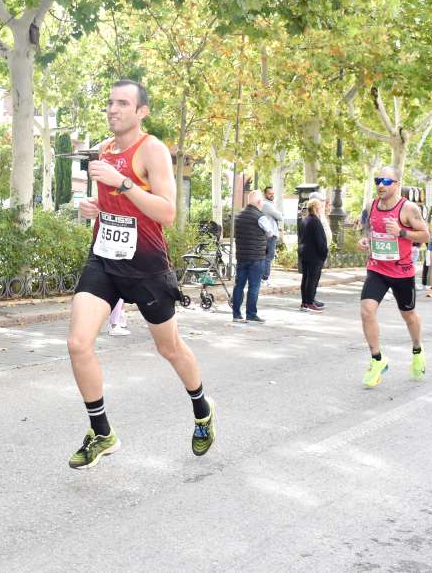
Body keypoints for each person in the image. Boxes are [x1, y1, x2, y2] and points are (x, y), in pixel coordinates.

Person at [65, 79, 214, 470]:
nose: (113, 109)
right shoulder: (104, 150)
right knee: (79, 343)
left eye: (122, 103)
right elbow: (110, 201)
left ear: (141, 111)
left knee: (170, 348)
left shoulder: (152, 150)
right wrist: (93, 207)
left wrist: (124, 183)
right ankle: (102, 433)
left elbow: (166, 212)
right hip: (104, 259)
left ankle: (202, 409)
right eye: (110, 103)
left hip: (146, 265)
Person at [358, 167, 429, 387]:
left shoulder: (408, 209)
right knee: (366, 310)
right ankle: (377, 359)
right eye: (378, 180)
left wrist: (401, 232)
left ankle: (417, 349)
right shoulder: (371, 205)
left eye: (386, 181)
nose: (381, 184)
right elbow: (369, 229)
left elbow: (425, 235)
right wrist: (366, 240)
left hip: (402, 272)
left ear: (397, 184)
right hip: (377, 268)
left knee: (409, 316)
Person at [232, 189, 276, 323]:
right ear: (258, 202)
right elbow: (270, 233)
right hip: (257, 256)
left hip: (241, 256)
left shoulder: (238, 216)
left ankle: (236, 314)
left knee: (239, 285)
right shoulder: (260, 216)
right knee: (254, 286)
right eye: (261, 201)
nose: (262, 204)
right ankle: (251, 314)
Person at [298, 198, 328, 312]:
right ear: (315, 208)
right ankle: (309, 302)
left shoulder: (305, 220)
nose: (321, 210)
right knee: (312, 279)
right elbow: (320, 241)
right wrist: (324, 253)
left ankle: (305, 302)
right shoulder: (315, 221)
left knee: (306, 278)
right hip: (314, 255)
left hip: (305, 253)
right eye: (320, 207)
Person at [260, 187, 283, 281]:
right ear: (265, 194)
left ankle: (263, 276)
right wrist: (280, 214)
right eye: (270, 193)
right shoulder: (266, 204)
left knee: (266, 256)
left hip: (269, 233)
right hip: (270, 234)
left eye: (273, 193)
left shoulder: (269, 204)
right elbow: (279, 216)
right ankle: (265, 277)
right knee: (269, 256)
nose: (272, 195)